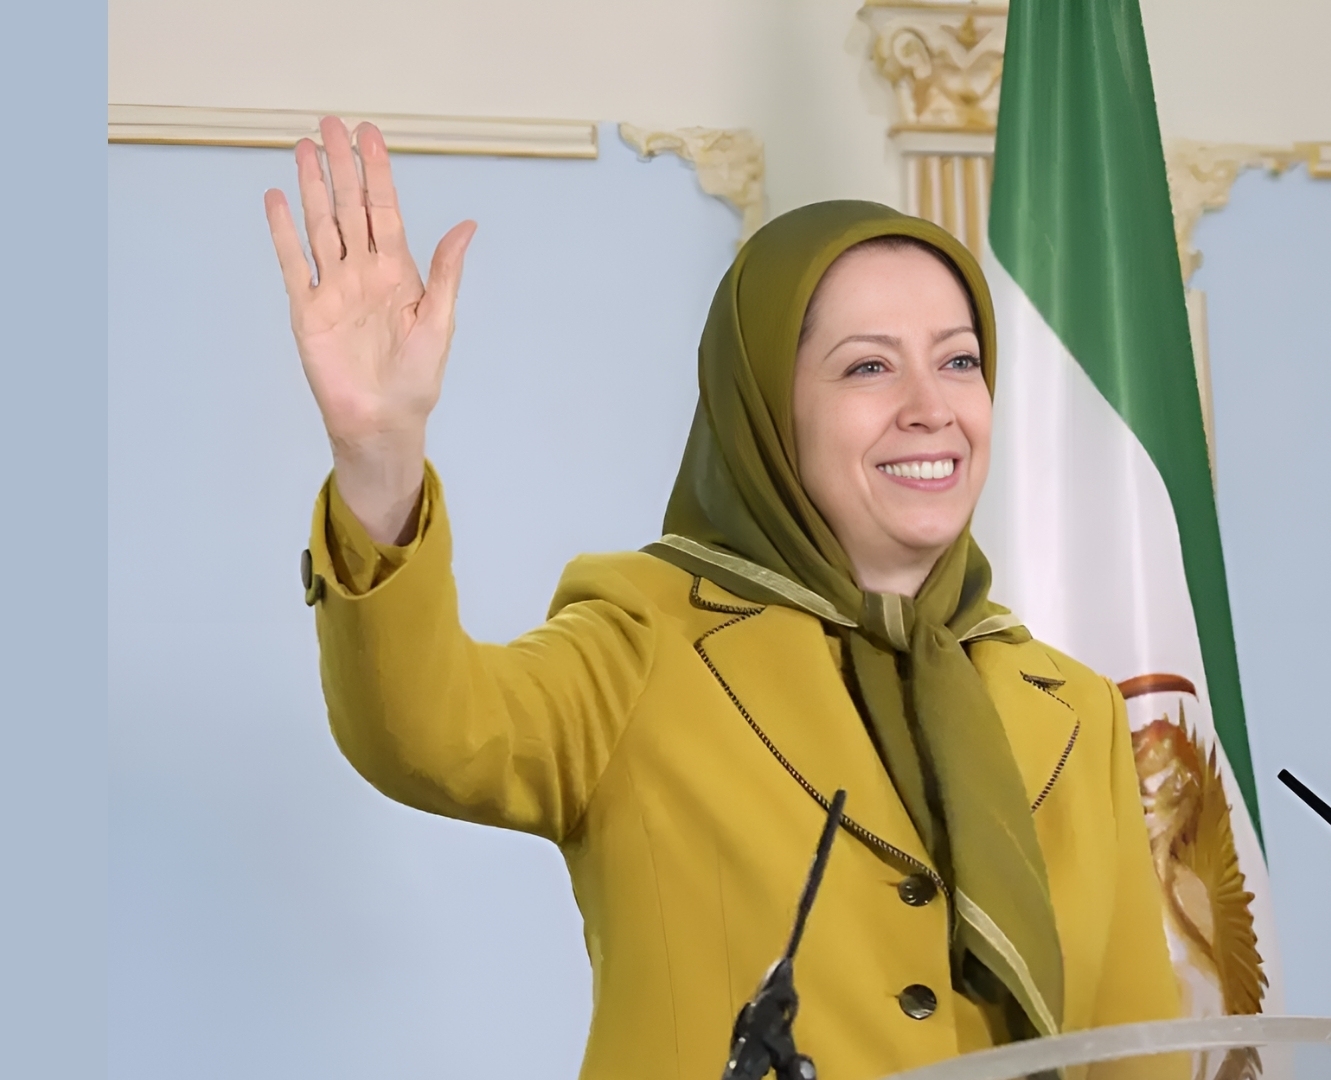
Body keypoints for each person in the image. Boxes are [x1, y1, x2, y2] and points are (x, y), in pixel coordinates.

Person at [266, 117, 1182, 1079]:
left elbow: (1139, 1054)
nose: (931, 408)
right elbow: (425, 731)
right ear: (765, 408)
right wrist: (379, 457)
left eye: (959, 361)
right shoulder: (644, 639)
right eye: (868, 367)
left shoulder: (1073, 708)